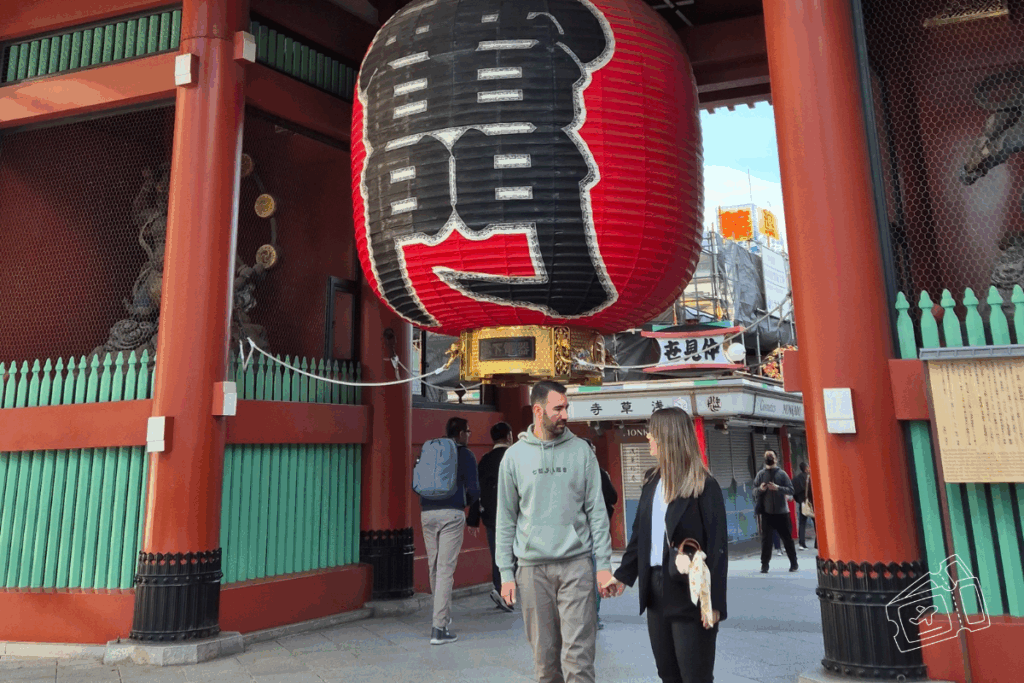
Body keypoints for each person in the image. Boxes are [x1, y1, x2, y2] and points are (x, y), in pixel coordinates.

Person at [496, 381, 613, 683]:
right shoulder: (514, 457)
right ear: (538, 410)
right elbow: (506, 518)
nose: (565, 415)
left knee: (579, 659)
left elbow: (597, 513)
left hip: (576, 566)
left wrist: (604, 566)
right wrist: (506, 573)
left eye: (566, 407)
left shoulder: (582, 452)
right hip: (532, 570)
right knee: (545, 661)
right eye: (558, 408)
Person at [602, 407, 728, 683]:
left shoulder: (704, 485)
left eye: (653, 432)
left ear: (668, 437)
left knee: (695, 675)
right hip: (655, 593)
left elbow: (718, 548)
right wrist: (622, 576)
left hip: (691, 593)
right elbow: (640, 538)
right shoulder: (651, 480)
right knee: (667, 673)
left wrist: (714, 603)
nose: (648, 436)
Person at [419, 417, 480, 645]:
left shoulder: (431, 451)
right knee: (445, 569)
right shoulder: (465, 454)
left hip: (427, 512)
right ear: (462, 434)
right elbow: (474, 490)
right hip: (451, 514)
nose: (469, 435)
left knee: (434, 566)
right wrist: (470, 505)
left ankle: (441, 616)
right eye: (468, 431)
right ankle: (439, 627)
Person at [468, 421, 516, 612]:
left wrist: (473, 519)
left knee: (499, 555)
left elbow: (476, 491)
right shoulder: (515, 456)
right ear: (510, 436)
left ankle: (502, 592)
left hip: (491, 517)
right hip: (516, 517)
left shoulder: (486, 460)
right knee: (519, 554)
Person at [580, 437, 620, 630]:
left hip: (573, 538)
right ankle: (593, 616)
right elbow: (613, 497)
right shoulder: (599, 474)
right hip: (594, 534)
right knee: (596, 572)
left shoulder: (571, 474)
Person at [753, 451, 798, 573]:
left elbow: (791, 490)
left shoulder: (782, 474)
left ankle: (794, 563)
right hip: (767, 513)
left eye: (771, 456)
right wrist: (760, 489)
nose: (769, 457)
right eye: (767, 456)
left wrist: (778, 488)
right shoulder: (761, 474)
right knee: (766, 541)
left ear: (776, 459)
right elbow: (754, 491)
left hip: (782, 512)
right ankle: (764, 565)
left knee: (787, 539)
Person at [792, 462, 811, 550]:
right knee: (816, 522)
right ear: (806, 468)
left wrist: (799, 501)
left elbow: (793, 492)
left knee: (802, 523)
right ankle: (818, 543)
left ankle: (801, 543)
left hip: (802, 504)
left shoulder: (796, 479)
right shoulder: (809, 477)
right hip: (811, 503)